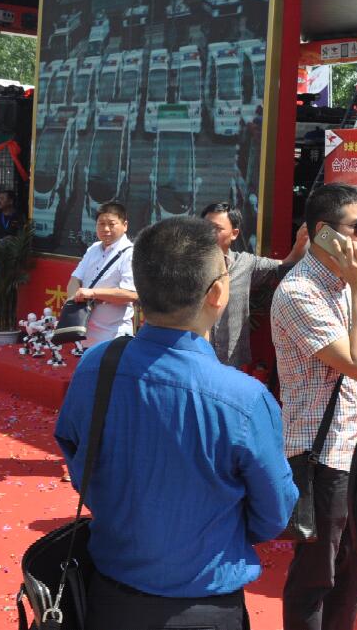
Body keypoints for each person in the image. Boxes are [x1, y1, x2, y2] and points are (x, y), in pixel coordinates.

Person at [54, 216, 298, 630]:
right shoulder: (244, 399)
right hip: (204, 605)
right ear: (217, 293)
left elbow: (76, 455)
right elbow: (273, 513)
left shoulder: (96, 365)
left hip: (110, 595)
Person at [271, 183, 357, 630]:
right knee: (316, 576)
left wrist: (356, 289)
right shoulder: (300, 292)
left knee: (355, 571)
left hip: (355, 448)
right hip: (321, 454)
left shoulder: (343, 286)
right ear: (323, 232)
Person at [200, 201, 308, 369]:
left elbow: (285, 266)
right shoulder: (185, 265)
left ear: (234, 233)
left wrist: (300, 243)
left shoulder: (245, 263)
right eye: (205, 227)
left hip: (231, 362)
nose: (209, 233)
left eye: (217, 228)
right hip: (195, 357)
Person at [67, 201, 138, 350]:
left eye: (111, 224)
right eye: (101, 224)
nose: (106, 229)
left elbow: (131, 294)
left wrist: (93, 293)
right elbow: (75, 278)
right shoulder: (93, 249)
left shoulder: (131, 254)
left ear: (125, 225)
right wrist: (74, 298)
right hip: (86, 333)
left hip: (114, 336)